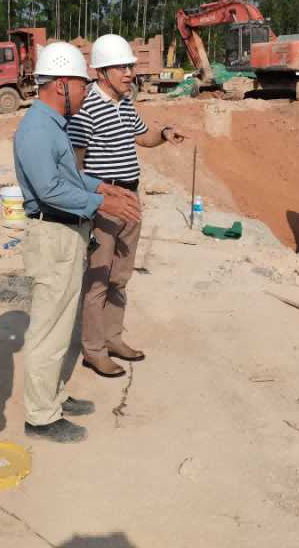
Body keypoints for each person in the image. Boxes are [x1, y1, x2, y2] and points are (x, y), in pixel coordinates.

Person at [13, 42, 142, 444]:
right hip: (52, 234)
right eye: (82, 86)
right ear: (61, 85)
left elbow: (67, 176)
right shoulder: (38, 128)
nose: (86, 92)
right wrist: (102, 202)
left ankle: (53, 394)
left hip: (66, 233)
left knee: (60, 323)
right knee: (48, 330)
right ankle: (41, 416)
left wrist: (100, 186)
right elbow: (50, 189)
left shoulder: (52, 123)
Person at [68, 34, 186, 378]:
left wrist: (163, 133)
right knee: (98, 279)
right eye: (121, 67)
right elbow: (76, 165)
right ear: (102, 72)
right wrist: (92, 204)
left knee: (120, 275)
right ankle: (94, 351)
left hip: (131, 200)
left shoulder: (125, 103)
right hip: (105, 204)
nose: (129, 73)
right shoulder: (87, 108)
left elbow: (141, 137)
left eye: (130, 66)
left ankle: (113, 338)